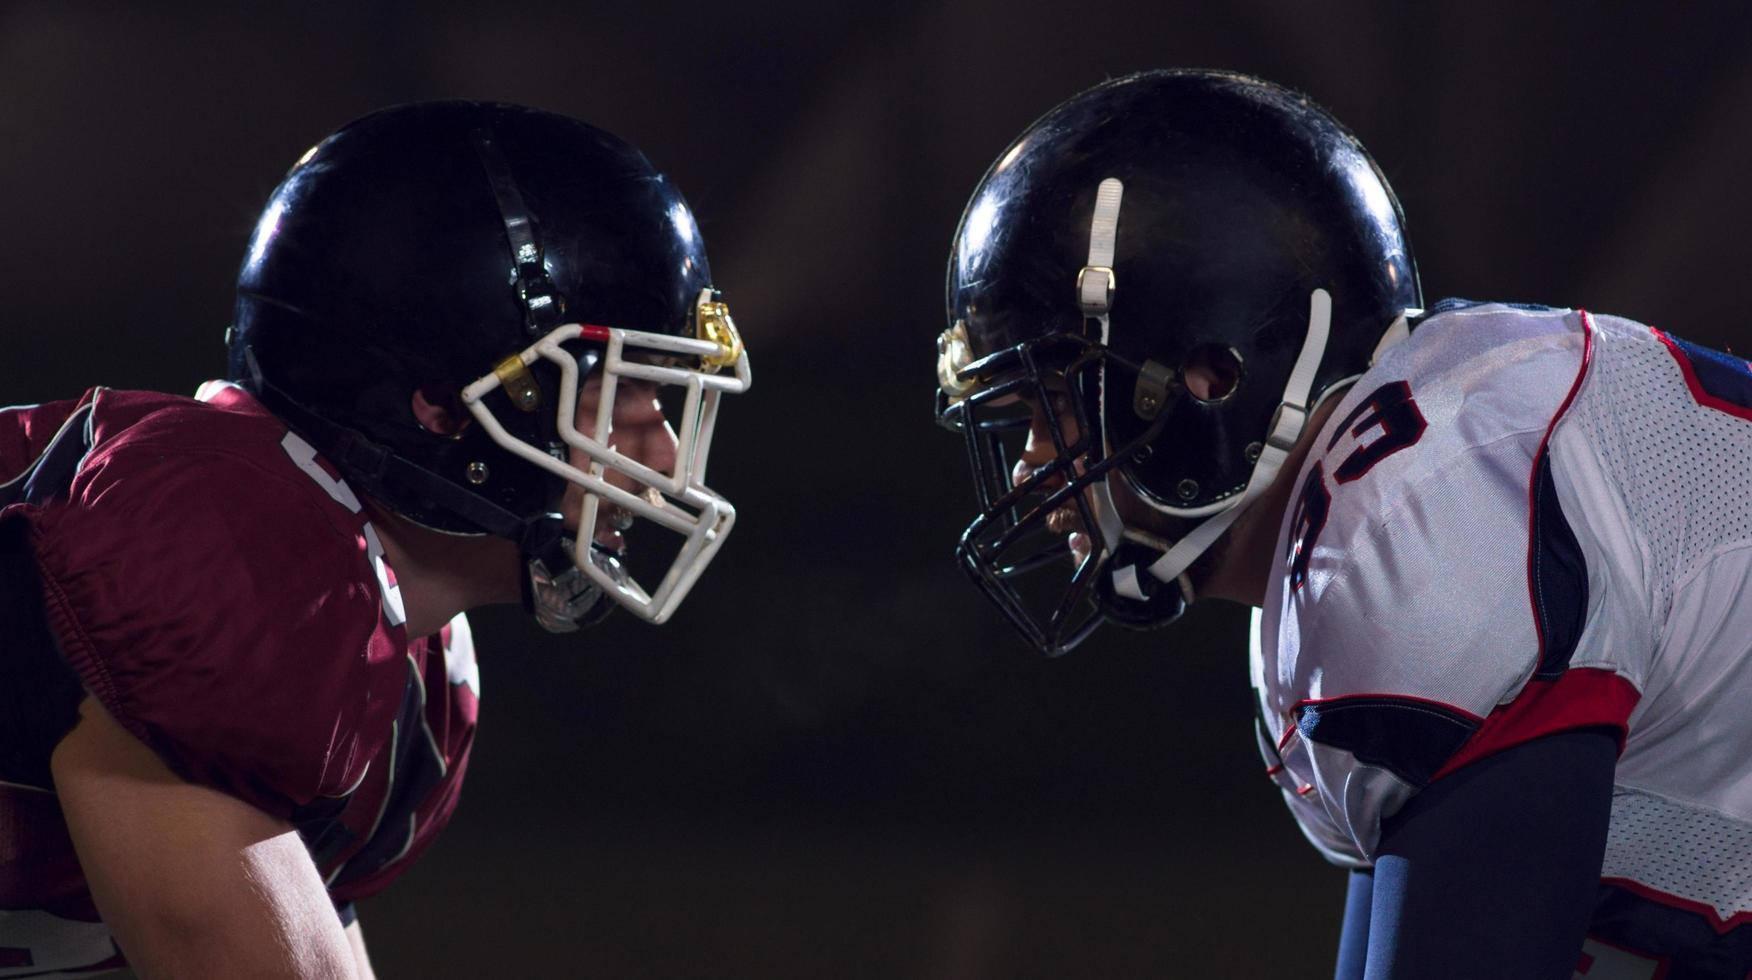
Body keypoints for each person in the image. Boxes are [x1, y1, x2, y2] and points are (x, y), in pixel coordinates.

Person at [935, 69, 1752, 978]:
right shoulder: (1389, 502)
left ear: (1213, 375)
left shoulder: (1411, 532)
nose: (1031, 463)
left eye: (1061, 408)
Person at [0, 101, 751, 978]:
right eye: (615, 401)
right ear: (438, 407)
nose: (662, 454)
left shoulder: (410, 671)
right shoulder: (250, 552)